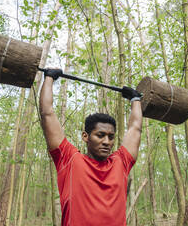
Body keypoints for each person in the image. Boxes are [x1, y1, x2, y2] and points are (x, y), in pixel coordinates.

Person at [39, 68, 143, 226]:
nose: (107, 141)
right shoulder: (69, 159)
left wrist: (135, 100)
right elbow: (47, 113)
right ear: (85, 136)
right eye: (100, 135)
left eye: (111, 137)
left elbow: (135, 127)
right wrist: (49, 79)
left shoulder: (121, 162)